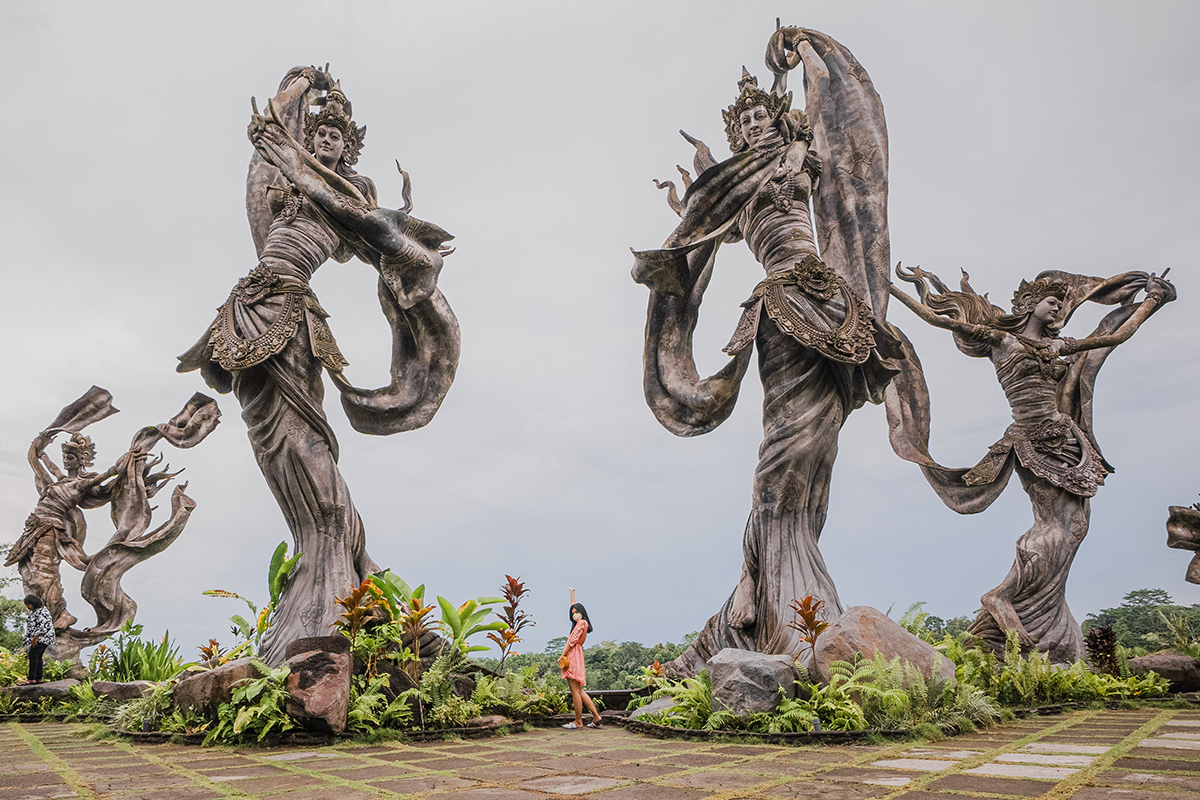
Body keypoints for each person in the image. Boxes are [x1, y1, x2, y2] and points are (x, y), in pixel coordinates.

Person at [632, 27, 904, 674]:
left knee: (820, 453)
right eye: (744, 122)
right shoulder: (736, 183)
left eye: (762, 117)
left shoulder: (800, 154)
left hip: (831, 303)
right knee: (785, 449)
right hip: (779, 307)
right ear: (735, 135)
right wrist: (693, 192)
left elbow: (827, 120)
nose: (754, 126)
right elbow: (697, 231)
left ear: (775, 119)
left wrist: (805, 51)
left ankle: (768, 588)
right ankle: (773, 601)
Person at [177, 67, 459, 663]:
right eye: (320, 135)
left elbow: (376, 233)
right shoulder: (288, 181)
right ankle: (338, 571)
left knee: (307, 447)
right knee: (268, 442)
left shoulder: (345, 194)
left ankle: (335, 590)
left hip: (295, 314)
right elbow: (265, 147)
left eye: (338, 139)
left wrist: (307, 162)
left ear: (350, 150)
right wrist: (302, 82)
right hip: (248, 305)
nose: (327, 142)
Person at [887, 266, 1175, 663]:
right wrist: (882, 285)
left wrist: (1152, 302)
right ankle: (1002, 595)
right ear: (1029, 305)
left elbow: (1113, 337)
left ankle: (1047, 620)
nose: (1058, 308)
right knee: (1054, 526)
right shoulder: (1001, 340)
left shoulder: (1058, 347)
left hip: (1068, 439)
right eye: (1052, 302)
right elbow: (937, 318)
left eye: (1061, 303)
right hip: (1034, 441)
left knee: (1076, 526)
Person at [560, 588, 601, 729]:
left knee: (575, 691)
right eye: (573, 613)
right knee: (579, 691)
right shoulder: (583, 623)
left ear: (582, 613)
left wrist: (563, 655)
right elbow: (574, 606)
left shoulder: (581, 623)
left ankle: (578, 721)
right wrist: (572, 593)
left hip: (572, 654)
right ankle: (596, 716)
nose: (574, 615)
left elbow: (571, 641)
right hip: (577, 654)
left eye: (577, 612)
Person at [21, 595, 55, 685]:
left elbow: (43, 625)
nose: (27, 607)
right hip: (41, 637)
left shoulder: (42, 611)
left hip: (42, 637)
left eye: (28, 604)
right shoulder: (37, 611)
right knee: (37, 656)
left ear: (33, 603)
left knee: (33, 655)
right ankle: (38, 678)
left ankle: (32, 678)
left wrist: (35, 638)